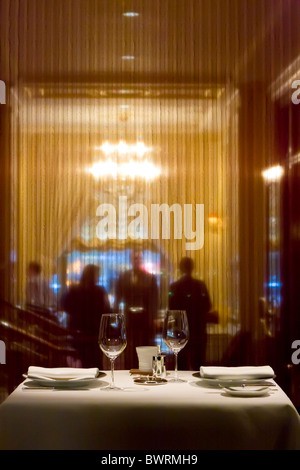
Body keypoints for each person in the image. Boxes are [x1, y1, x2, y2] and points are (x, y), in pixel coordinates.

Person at [61, 264, 111, 367]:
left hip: (78, 331)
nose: (98, 277)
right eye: (97, 275)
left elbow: (65, 306)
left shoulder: (74, 289)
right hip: (95, 332)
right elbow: (107, 310)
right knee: (96, 362)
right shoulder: (99, 291)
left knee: (81, 360)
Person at [115, 251, 158, 369]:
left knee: (146, 345)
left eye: (138, 258)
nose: (136, 260)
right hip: (129, 318)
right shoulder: (124, 277)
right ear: (130, 260)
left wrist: (153, 317)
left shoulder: (150, 277)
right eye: (134, 258)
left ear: (142, 260)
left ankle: (147, 370)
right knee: (129, 347)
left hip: (145, 318)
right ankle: (130, 368)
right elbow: (118, 297)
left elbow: (155, 299)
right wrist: (117, 316)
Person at [169, 257, 212, 369]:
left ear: (180, 268)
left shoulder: (174, 287)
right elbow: (208, 306)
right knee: (199, 363)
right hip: (199, 329)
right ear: (192, 268)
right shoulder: (200, 285)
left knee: (181, 363)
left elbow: (172, 308)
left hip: (180, 330)